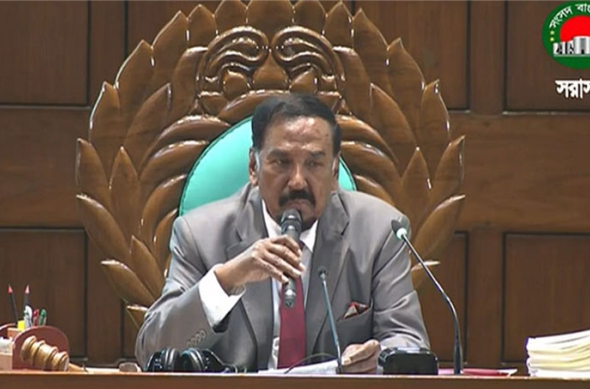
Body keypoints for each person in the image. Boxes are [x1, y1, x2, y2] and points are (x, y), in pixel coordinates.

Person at [136, 93, 429, 373]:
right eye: (282, 162)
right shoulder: (200, 234)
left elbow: (408, 342)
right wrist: (227, 279)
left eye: (314, 163)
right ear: (254, 166)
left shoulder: (380, 232)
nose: (298, 181)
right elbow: (152, 349)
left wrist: (372, 362)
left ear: (334, 172)